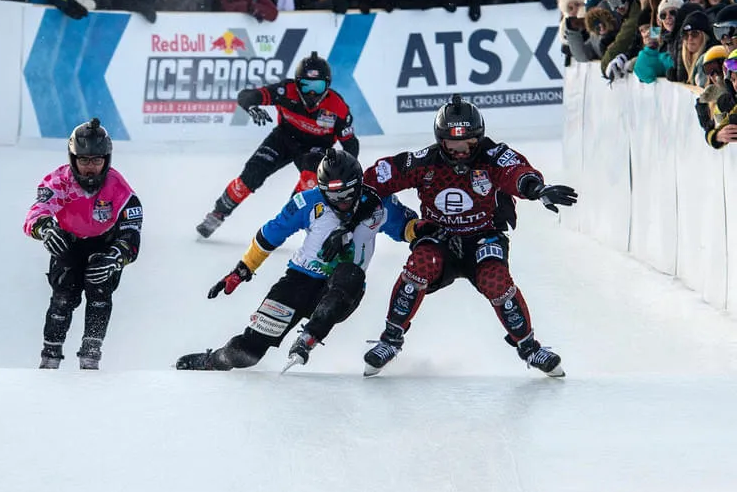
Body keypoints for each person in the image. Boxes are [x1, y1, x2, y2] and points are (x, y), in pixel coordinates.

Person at [361, 95, 577, 377]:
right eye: (453, 144)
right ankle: (389, 340)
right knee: (422, 262)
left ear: (480, 138)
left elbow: (516, 172)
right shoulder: (425, 162)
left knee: (495, 278)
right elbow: (385, 173)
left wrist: (537, 189)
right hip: (440, 238)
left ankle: (530, 347)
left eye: (469, 143)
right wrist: (361, 192)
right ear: (441, 140)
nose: (461, 151)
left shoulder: (494, 156)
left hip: (483, 238)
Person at [177, 149, 417, 371]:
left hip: (343, 290)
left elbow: (408, 227)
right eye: (332, 195)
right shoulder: (306, 202)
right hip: (298, 282)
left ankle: (309, 337)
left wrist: (427, 232)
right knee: (246, 353)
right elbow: (269, 236)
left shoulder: (380, 203)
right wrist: (242, 270)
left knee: (350, 273)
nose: (341, 201)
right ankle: (213, 360)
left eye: (346, 193)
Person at [196, 51, 359, 238]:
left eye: (318, 86)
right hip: (283, 139)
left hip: (316, 147)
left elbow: (351, 145)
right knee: (252, 174)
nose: (312, 93)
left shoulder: (338, 107)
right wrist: (250, 106)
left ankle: (286, 221)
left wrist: (347, 171)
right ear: (297, 84)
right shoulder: (285, 90)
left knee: (311, 179)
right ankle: (218, 213)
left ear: (327, 85)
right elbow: (247, 95)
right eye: (306, 86)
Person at [23, 119, 143, 370]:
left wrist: (118, 256)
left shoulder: (119, 187)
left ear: (107, 160)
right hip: (69, 242)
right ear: (73, 158)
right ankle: (49, 357)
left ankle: (91, 356)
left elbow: (132, 231)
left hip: (105, 243)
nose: (90, 168)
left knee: (100, 290)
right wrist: (44, 228)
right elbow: (37, 211)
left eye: (97, 160)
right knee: (63, 295)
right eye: (84, 160)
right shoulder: (58, 181)